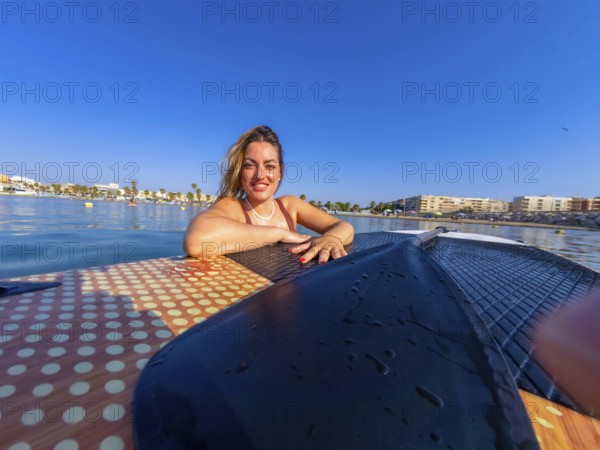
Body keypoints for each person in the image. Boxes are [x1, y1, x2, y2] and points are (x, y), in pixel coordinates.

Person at [183, 125, 354, 264]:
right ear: (240, 171)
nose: (260, 175)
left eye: (270, 166)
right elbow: (196, 241)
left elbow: (344, 227)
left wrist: (331, 238)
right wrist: (279, 234)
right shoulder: (233, 206)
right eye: (250, 165)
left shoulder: (290, 206)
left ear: (280, 172)